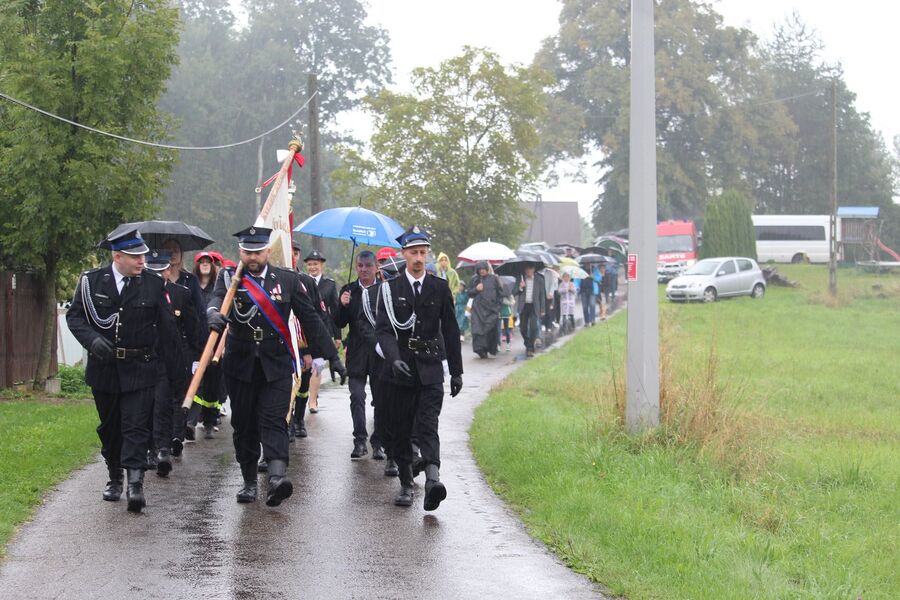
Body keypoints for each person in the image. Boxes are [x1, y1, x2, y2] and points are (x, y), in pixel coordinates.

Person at [206, 226, 346, 506]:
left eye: (258, 251)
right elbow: (215, 301)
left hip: (276, 363)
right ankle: (248, 481)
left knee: (274, 420)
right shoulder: (229, 278)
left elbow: (311, 320)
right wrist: (212, 315)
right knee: (244, 424)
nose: (252, 257)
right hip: (241, 363)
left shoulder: (288, 279)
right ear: (240, 252)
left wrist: (334, 357)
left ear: (268, 252)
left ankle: (276, 478)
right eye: (247, 252)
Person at [66, 226, 183, 512]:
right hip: (105, 368)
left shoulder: (154, 284)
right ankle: (114, 475)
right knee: (111, 427)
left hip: (140, 367)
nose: (142, 261)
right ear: (117, 256)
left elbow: (168, 330)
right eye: (135, 256)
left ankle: (135, 483)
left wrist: (179, 373)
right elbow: (75, 317)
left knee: (135, 425)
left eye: (143, 256)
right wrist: (93, 341)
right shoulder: (91, 282)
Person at [375, 225, 463, 510]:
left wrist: (457, 371)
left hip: (430, 369)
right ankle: (405, 484)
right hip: (400, 371)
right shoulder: (390, 289)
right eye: (413, 252)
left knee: (428, 426)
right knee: (400, 430)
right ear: (404, 254)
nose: (418, 258)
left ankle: (433, 482)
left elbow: (450, 329)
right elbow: (384, 330)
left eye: (423, 252)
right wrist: (393, 358)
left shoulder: (439, 287)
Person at [146, 250, 201, 476]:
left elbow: (194, 328)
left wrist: (198, 357)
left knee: (165, 402)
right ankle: (150, 448)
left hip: (172, 358)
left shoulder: (181, 294)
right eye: (153, 271)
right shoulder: (138, 293)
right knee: (145, 404)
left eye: (161, 270)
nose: (157, 275)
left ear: (168, 271)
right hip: (144, 356)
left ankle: (163, 448)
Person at [336, 251, 387, 460]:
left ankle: (378, 442)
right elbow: (339, 322)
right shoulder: (349, 290)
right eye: (360, 266)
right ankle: (359, 441)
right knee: (357, 396)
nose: (364, 270)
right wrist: (342, 305)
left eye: (368, 265)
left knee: (381, 399)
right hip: (356, 352)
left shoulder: (384, 290)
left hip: (379, 353)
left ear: (376, 267)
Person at [288, 239, 334, 441]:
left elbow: (317, 317)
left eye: (296, 253)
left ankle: (298, 419)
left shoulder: (306, 281)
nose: (293, 256)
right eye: (290, 251)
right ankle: (287, 423)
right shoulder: (274, 278)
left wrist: (314, 351)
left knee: (303, 385)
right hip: (283, 343)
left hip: (305, 343)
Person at [185, 251, 224, 440]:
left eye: (209, 261)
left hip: (216, 341)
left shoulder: (219, 288)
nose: (206, 264)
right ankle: (190, 423)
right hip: (196, 340)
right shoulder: (191, 286)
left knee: (213, 385)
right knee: (195, 380)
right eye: (202, 261)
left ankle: (210, 421)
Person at [303, 250, 341, 413]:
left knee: (318, 365)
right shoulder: (300, 282)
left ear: (322, 265)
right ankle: (304, 396)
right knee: (305, 368)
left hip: (322, 332)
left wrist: (337, 336)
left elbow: (335, 311)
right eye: (310, 264)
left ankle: (313, 400)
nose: (313, 267)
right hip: (304, 333)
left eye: (316, 264)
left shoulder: (329, 285)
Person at [467, 261, 504, 358]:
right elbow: (469, 293)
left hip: (491, 310)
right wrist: (476, 289)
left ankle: (488, 349)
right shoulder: (474, 279)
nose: (482, 271)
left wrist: (498, 308)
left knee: (489, 331)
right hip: (477, 310)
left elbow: (500, 294)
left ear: (487, 269)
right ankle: (480, 350)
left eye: (483, 269)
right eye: (480, 270)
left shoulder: (494, 279)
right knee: (477, 330)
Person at [516, 264, 546, 357]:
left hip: (534, 306)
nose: (529, 271)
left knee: (533, 327)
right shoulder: (520, 279)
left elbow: (542, 295)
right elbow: (514, 291)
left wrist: (542, 309)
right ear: (525, 270)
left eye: (530, 269)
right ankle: (528, 342)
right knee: (523, 328)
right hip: (523, 306)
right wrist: (520, 287)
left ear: (534, 269)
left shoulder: (539, 280)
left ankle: (530, 348)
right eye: (527, 269)